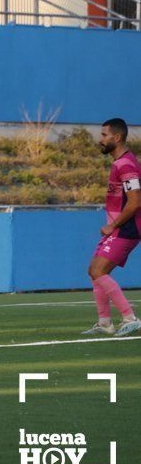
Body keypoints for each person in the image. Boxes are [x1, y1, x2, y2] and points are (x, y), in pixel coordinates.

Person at [83, 118, 141, 337]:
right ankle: (105, 323)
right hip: (119, 228)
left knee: (98, 271)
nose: (101, 139)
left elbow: (136, 201)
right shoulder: (121, 162)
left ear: (117, 138)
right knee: (94, 272)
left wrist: (113, 225)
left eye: (104, 135)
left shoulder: (126, 164)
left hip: (126, 228)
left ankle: (130, 318)